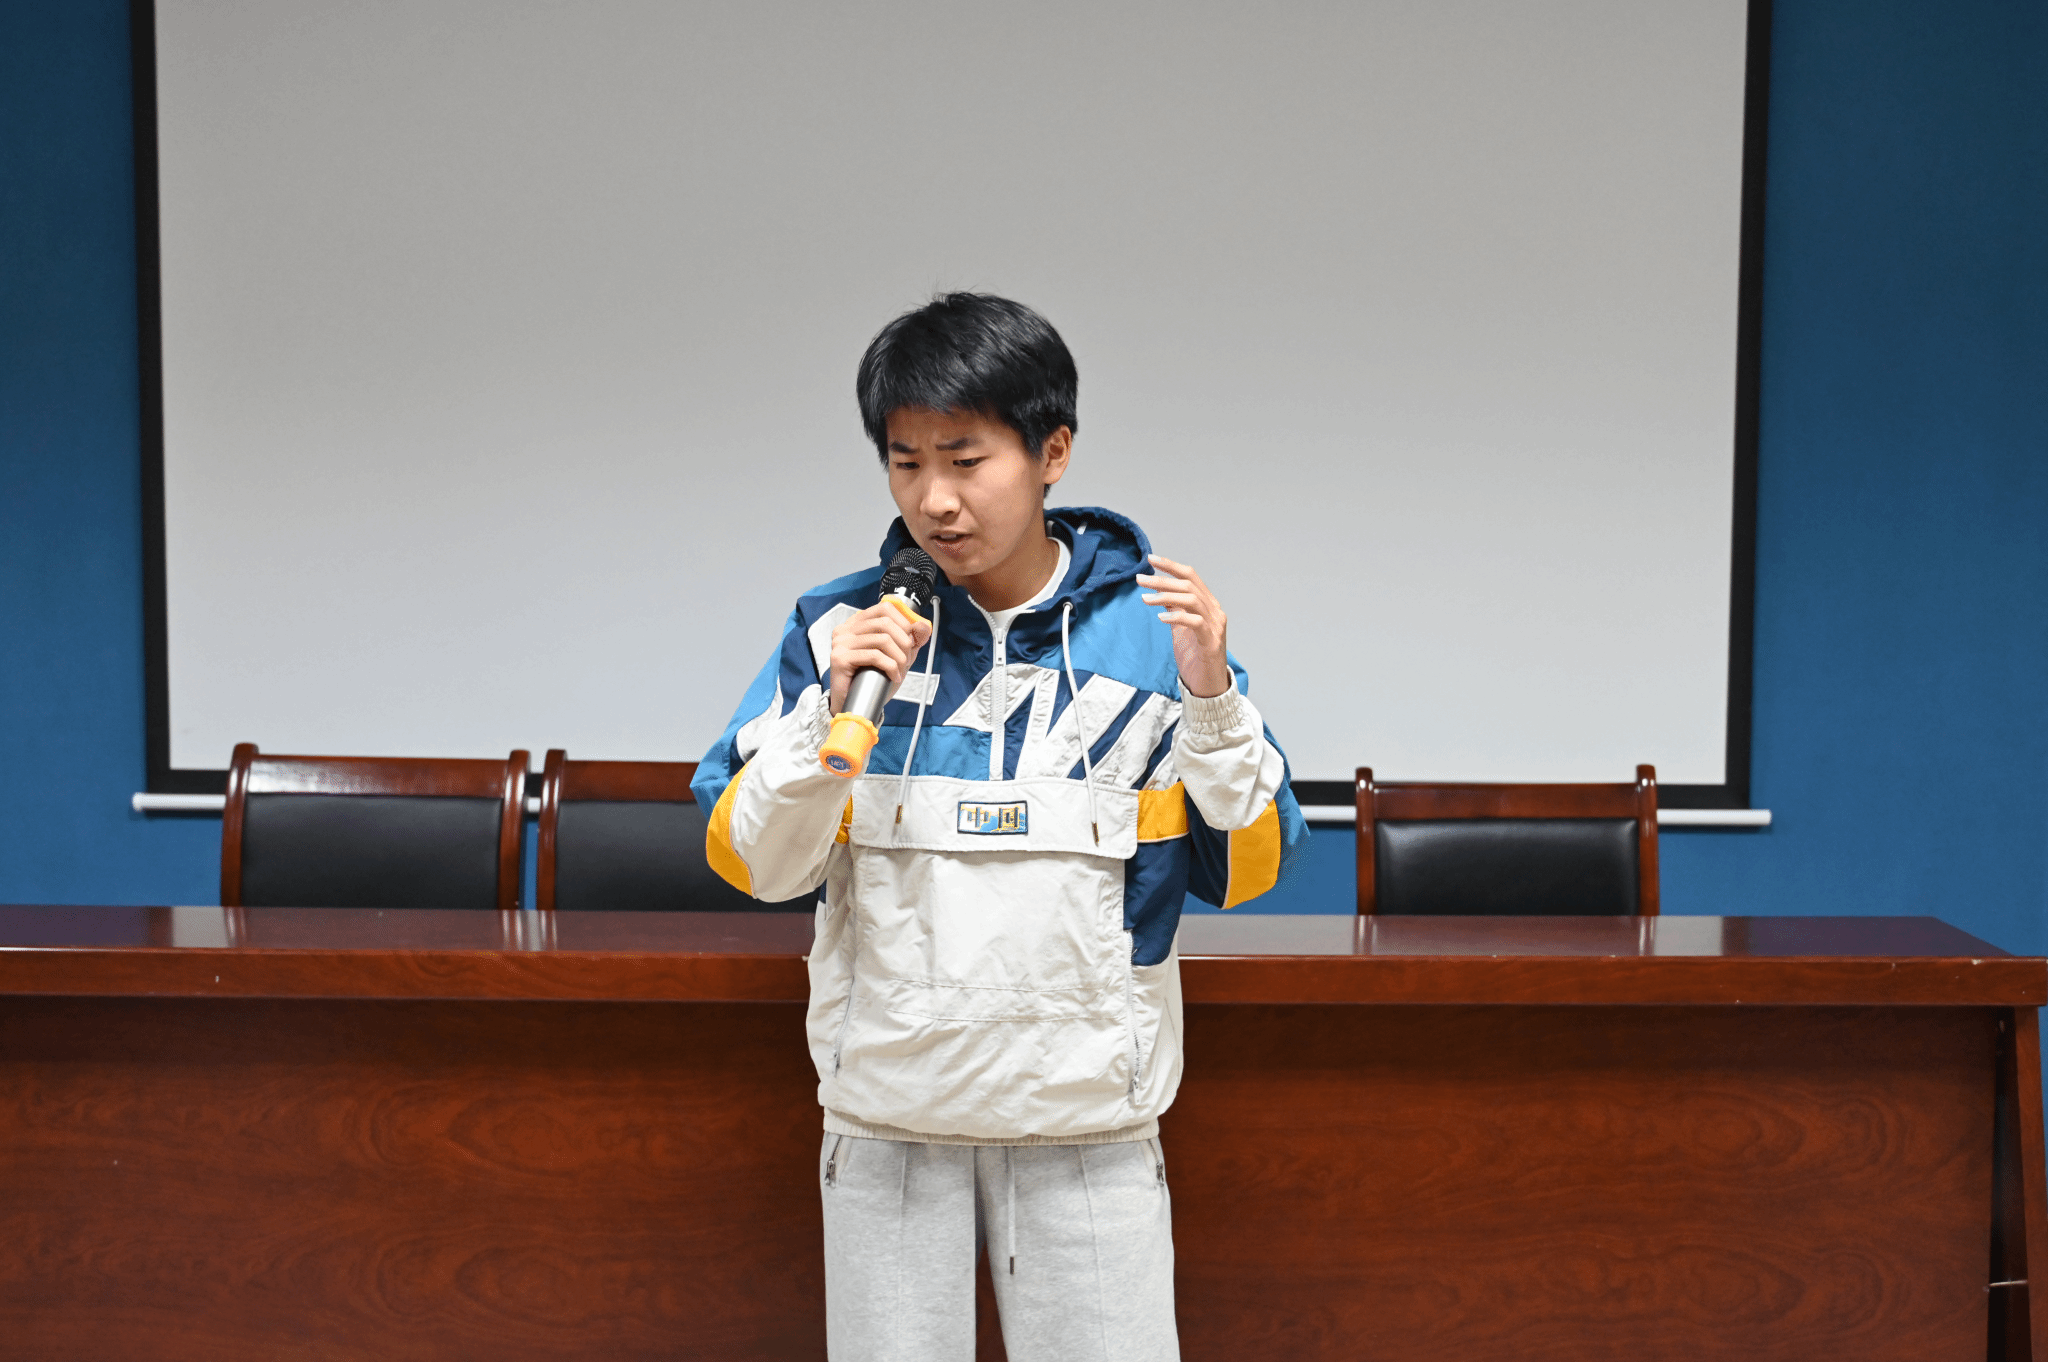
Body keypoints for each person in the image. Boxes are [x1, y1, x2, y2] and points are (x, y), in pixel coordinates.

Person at [692, 292, 1309, 1362]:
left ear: (1052, 451)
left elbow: (1251, 868)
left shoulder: (1156, 642)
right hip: (887, 1121)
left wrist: (1211, 699)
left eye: (965, 460)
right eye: (905, 463)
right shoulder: (839, 633)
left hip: (1088, 1128)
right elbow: (758, 865)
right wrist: (824, 713)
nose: (933, 499)